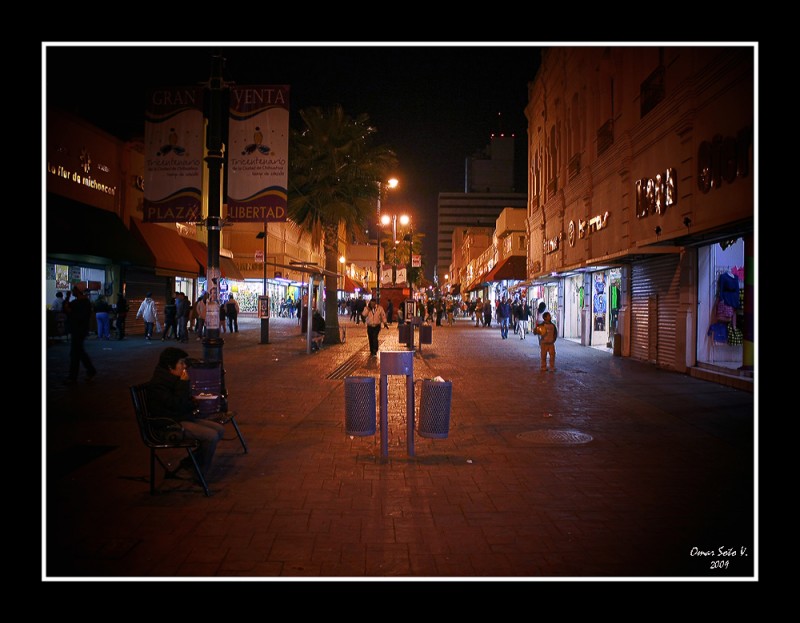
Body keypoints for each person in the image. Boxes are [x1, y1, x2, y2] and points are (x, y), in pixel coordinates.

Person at [146, 347, 224, 476]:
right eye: (181, 363)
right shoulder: (159, 384)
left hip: (180, 418)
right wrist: (183, 385)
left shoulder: (172, 379)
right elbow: (176, 404)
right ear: (170, 367)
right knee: (211, 436)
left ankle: (191, 463)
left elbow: (183, 402)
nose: (184, 367)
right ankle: (199, 472)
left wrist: (192, 401)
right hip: (168, 424)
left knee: (219, 429)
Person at [64, 286, 97, 383]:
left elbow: (67, 309)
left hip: (78, 330)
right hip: (80, 330)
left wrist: (67, 299)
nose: (72, 292)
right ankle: (89, 371)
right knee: (78, 352)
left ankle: (74, 376)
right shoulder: (83, 302)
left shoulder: (80, 303)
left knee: (76, 353)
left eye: (74, 291)